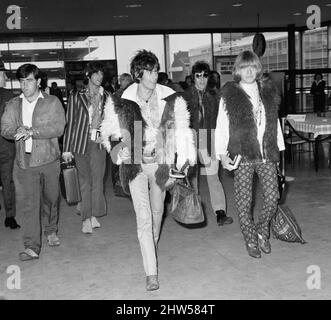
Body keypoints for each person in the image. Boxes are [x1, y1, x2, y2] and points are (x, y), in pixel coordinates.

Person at [100, 50, 196, 291]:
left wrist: (185, 160)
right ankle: (151, 272)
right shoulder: (120, 99)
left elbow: (183, 130)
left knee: (156, 214)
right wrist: (117, 148)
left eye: (156, 70)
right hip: (135, 166)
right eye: (150, 71)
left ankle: (149, 249)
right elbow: (109, 131)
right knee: (143, 217)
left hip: (160, 164)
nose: (155, 75)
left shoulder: (171, 97)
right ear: (138, 74)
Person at [215, 50, 285, 258]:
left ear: (257, 68)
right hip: (242, 154)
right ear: (238, 70)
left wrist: (278, 152)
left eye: (252, 67)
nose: (248, 71)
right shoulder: (231, 94)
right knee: (244, 202)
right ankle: (250, 238)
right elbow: (221, 126)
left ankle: (262, 230)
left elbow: (274, 123)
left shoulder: (268, 91)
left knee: (273, 198)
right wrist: (221, 155)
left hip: (266, 154)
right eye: (244, 67)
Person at [1, 63, 65, 261]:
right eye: (21, 81)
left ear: (38, 81)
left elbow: (58, 128)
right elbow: (5, 128)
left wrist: (32, 131)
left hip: (49, 159)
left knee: (51, 198)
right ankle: (31, 246)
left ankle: (51, 229)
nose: (25, 85)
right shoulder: (13, 105)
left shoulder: (52, 102)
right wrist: (16, 131)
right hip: (24, 162)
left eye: (29, 80)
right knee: (29, 204)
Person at [62, 61, 111, 234]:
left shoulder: (107, 96)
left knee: (98, 182)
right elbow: (70, 123)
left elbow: (111, 122)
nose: (99, 77)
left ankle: (94, 215)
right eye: (95, 73)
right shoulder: (76, 95)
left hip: (98, 143)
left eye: (101, 74)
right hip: (80, 144)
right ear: (88, 75)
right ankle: (85, 218)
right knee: (85, 182)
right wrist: (67, 149)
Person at [183, 61, 233, 226]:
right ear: (193, 77)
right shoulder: (184, 97)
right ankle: (193, 211)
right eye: (198, 76)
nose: (202, 79)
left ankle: (220, 212)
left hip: (210, 138)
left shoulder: (216, 96)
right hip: (191, 138)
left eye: (205, 75)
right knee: (193, 178)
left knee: (213, 177)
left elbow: (223, 121)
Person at [0, 60, 20, 229]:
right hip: (6, 146)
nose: (5, 77)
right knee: (8, 181)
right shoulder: (10, 97)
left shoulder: (10, 96)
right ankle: (10, 216)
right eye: (3, 74)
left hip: (6, 146)